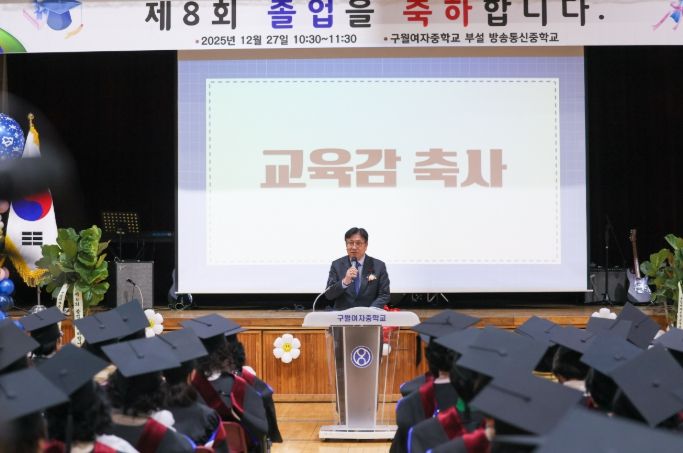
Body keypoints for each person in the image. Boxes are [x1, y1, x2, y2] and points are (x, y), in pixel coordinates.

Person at [323, 227, 390, 310]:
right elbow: (329, 295)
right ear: (346, 245)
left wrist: (371, 311)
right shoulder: (337, 265)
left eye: (358, 243)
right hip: (342, 315)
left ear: (366, 245)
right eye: (350, 243)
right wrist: (345, 282)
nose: (354, 247)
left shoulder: (379, 266)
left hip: (369, 315)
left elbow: (384, 294)